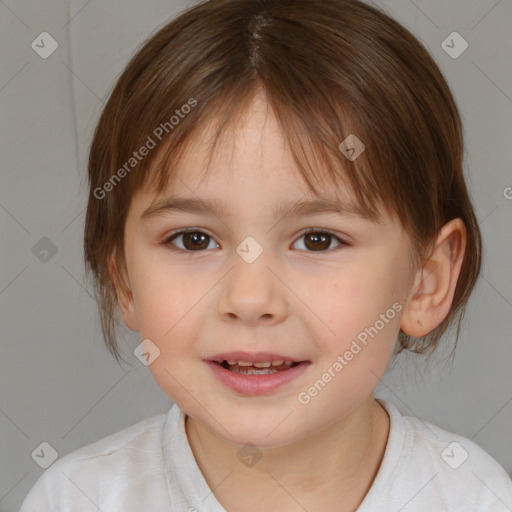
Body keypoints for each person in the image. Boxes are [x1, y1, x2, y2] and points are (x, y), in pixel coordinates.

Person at [20, 0, 512, 510]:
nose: (250, 299)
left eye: (318, 240)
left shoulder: (476, 498)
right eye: (193, 239)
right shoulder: (78, 498)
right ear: (123, 279)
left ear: (424, 281)